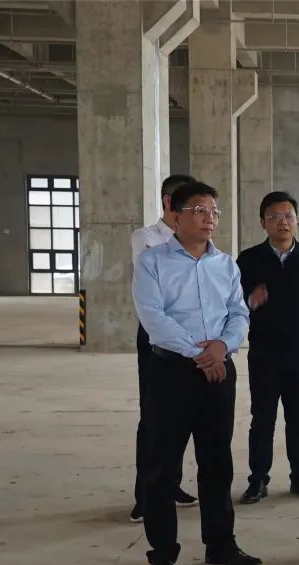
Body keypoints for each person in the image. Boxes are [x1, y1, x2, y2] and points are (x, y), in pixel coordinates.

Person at [132, 181, 261, 565]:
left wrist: (222, 347)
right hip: (171, 372)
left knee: (217, 462)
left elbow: (239, 313)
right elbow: (153, 317)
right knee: (162, 466)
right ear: (176, 216)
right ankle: (162, 553)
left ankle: (220, 544)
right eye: (200, 211)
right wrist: (199, 354)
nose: (209, 219)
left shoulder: (226, 265)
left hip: (219, 372)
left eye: (214, 212)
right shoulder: (152, 262)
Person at [237, 191, 299, 505]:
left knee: (298, 419)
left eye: (288, 216)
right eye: (274, 216)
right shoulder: (248, 260)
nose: (283, 222)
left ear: (296, 220)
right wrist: (250, 301)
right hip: (264, 353)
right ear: (263, 222)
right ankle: (257, 480)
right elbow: (233, 304)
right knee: (262, 419)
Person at [130, 173, 197, 522]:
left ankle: (172, 484)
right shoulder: (146, 239)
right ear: (169, 203)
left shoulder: (196, 240)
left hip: (193, 338)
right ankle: (145, 494)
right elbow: (163, 291)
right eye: (191, 206)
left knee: (183, 415)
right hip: (156, 338)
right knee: (153, 417)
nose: (199, 214)